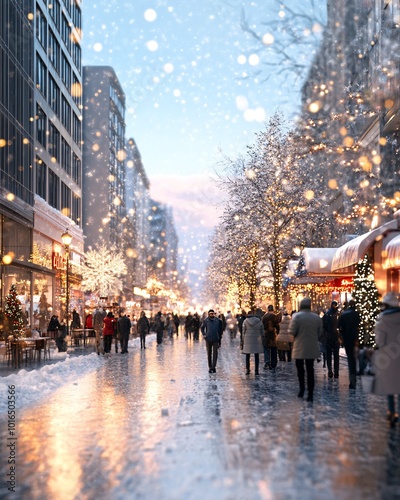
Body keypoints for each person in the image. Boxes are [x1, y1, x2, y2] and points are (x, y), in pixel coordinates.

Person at [372, 292, 400, 427]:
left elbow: (380, 341)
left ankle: (391, 412)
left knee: (390, 386)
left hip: (389, 357)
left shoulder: (382, 320)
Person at [289, 297, 322, 402]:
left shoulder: (297, 317)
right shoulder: (316, 317)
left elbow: (292, 331)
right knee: (310, 369)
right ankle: (310, 393)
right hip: (312, 346)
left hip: (299, 346)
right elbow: (320, 333)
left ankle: (302, 389)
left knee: (300, 369)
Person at [338, 299, 360, 389]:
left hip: (347, 339)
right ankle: (356, 375)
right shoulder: (357, 314)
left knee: (350, 359)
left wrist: (341, 336)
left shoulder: (344, 314)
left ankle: (352, 380)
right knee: (355, 358)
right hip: (356, 338)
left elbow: (339, 327)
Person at [241, 310, 264, 375]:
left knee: (247, 355)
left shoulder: (245, 321)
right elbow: (262, 330)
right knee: (256, 355)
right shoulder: (259, 321)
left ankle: (248, 369)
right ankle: (256, 370)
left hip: (247, 340)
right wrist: (262, 338)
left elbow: (243, 332)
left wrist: (242, 340)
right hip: (257, 340)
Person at [201, 309, 223, 373]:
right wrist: (204, 335)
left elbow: (220, 330)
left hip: (215, 339)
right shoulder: (206, 321)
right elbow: (202, 328)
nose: (211, 315)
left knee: (215, 353)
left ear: (214, 314)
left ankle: (213, 367)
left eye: (212, 313)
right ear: (208, 314)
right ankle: (210, 367)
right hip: (208, 339)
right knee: (209, 353)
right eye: (210, 313)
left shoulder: (218, 321)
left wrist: (219, 337)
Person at [322, 301, 340, 378]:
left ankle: (331, 371)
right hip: (334, 337)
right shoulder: (337, 314)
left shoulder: (327, 314)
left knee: (330, 355)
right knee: (335, 356)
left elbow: (324, 326)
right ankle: (334, 371)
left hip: (330, 337)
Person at [261, 305, 281, 370]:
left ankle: (267, 362)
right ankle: (273, 363)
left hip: (266, 335)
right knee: (273, 349)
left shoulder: (264, 316)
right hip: (272, 335)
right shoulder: (274, 316)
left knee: (266, 348)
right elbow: (277, 325)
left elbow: (262, 326)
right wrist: (278, 332)